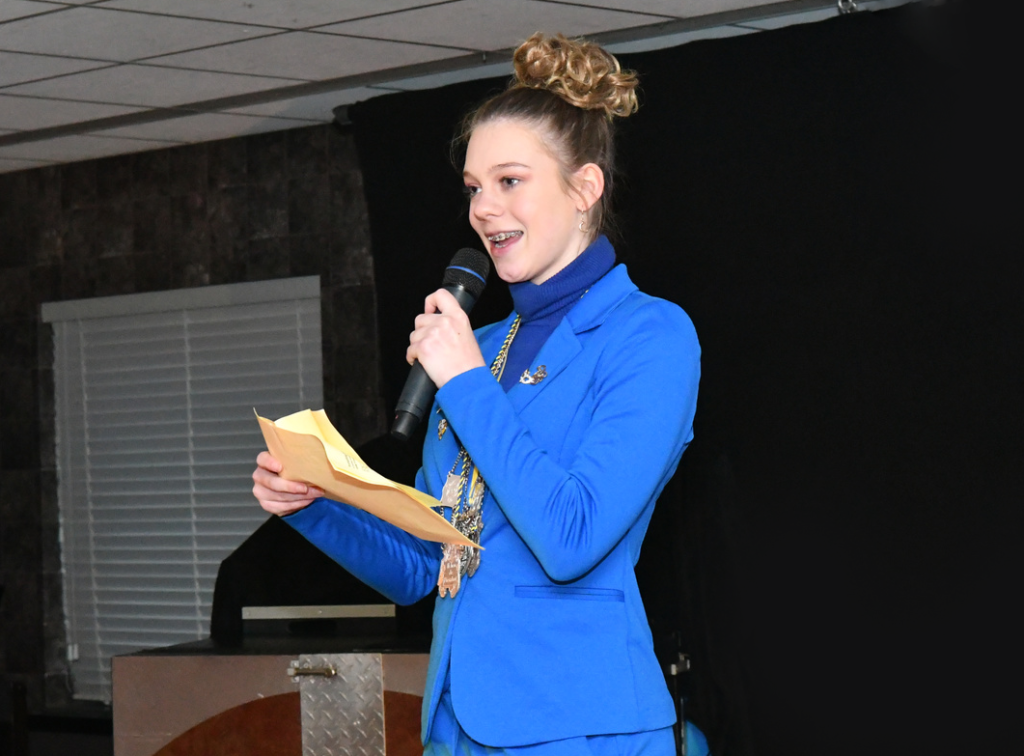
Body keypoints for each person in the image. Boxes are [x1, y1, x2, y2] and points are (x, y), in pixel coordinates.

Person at [253, 32, 701, 755]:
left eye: (509, 181)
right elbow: (427, 567)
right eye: (473, 188)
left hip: (579, 729)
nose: (483, 209)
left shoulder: (649, 336)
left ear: (585, 188)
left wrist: (462, 380)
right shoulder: (480, 347)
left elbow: (571, 539)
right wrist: (315, 503)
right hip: (456, 727)